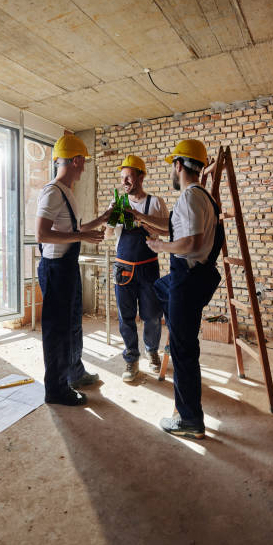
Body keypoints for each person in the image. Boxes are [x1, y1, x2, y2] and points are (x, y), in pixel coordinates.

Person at [130, 140, 224, 439]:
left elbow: (192, 242)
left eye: (173, 165)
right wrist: (146, 223)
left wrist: (161, 246)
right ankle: (173, 321)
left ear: (180, 166)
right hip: (192, 278)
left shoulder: (189, 197)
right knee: (160, 288)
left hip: (187, 278)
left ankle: (189, 419)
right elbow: (181, 231)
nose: (173, 170)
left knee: (183, 352)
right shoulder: (204, 198)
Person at [36, 134, 110, 406]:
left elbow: (71, 230)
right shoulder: (52, 191)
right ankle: (56, 390)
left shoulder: (67, 192)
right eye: (84, 162)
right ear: (77, 160)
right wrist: (82, 238)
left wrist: (100, 220)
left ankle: (74, 374)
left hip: (66, 268)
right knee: (57, 332)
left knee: (72, 325)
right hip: (56, 269)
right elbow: (42, 234)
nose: (84, 167)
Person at [105, 154, 169, 382]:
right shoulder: (119, 203)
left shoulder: (155, 203)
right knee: (126, 317)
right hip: (123, 269)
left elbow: (166, 231)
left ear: (141, 176)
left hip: (148, 268)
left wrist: (143, 220)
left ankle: (151, 352)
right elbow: (108, 235)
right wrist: (111, 218)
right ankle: (131, 359)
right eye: (122, 178)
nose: (124, 182)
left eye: (128, 176)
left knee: (152, 316)